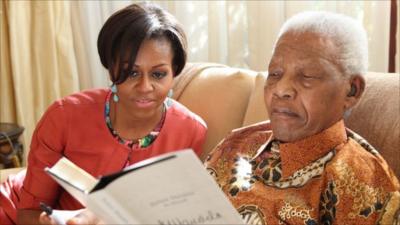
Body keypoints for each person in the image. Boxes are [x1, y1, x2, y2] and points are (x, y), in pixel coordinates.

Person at [0, 3, 207, 225]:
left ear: (174, 72)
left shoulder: (191, 131)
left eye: (158, 74)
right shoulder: (63, 117)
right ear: (111, 69)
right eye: (132, 72)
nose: (145, 86)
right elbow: (28, 213)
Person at [205, 11, 399, 224]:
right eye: (275, 74)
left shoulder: (363, 184)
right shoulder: (235, 144)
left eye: (307, 76)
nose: (281, 89)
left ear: (352, 91)